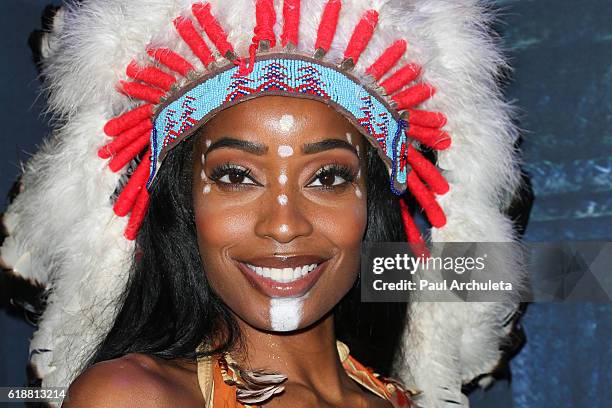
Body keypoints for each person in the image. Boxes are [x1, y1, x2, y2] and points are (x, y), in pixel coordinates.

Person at [0, 1, 526, 406]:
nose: (283, 224)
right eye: (235, 176)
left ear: (372, 209)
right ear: (184, 206)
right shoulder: (131, 396)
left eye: (328, 178)